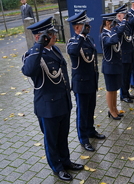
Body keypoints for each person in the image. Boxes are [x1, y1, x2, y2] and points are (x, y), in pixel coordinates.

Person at [21, 17, 83, 181]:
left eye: (53, 33)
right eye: (50, 34)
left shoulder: (54, 50)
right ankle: (57, 167)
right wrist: (38, 46)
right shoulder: (32, 54)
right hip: (48, 107)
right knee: (51, 140)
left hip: (62, 102)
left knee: (62, 136)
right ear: (39, 37)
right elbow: (28, 70)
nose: (55, 36)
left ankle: (66, 161)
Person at [66, 10, 106, 152]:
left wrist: (84, 36)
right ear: (77, 27)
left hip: (91, 81)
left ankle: (90, 130)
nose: (88, 26)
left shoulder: (89, 39)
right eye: (85, 24)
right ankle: (83, 139)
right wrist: (81, 35)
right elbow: (74, 52)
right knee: (82, 112)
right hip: (81, 83)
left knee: (90, 109)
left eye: (87, 24)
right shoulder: (72, 42)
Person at [100, 12, 124, 120]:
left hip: (115, 65)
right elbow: (114, 40)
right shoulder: (104, 35)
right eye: (112, 22)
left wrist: (121, 21)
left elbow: (121, 31)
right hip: (109, 66)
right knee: (110, 89)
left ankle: (115, 108)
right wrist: (114, 29)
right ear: (107, 22)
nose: (114, 24)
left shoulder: (111, 32)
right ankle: (111, 110)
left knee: (115, 89)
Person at [115, 4, 134, 103]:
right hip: (123, 55)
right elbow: (119, 33)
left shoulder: (126, 24)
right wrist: (123, 21)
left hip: (129, 53)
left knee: (128, 75)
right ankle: (123, 95)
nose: (126, 16)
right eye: (124, 15)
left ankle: (127, 92)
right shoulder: (117, 26)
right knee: (123, 77)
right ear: (119, 16)